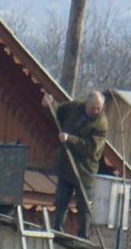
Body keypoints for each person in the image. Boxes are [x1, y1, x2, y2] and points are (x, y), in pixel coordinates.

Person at [41, 90, 108, 238]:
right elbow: (59, 110)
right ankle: (57, 232)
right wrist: (50, 104)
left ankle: (82, 236)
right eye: (93, 107)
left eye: (99, 108)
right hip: (67, 166)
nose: (96, 111)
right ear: (86, 104)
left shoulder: (101, 124)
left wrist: (70, 139)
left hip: (85, 170)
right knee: (61, 201)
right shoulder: (75, 107)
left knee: (84, 207)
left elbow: (90, 147)